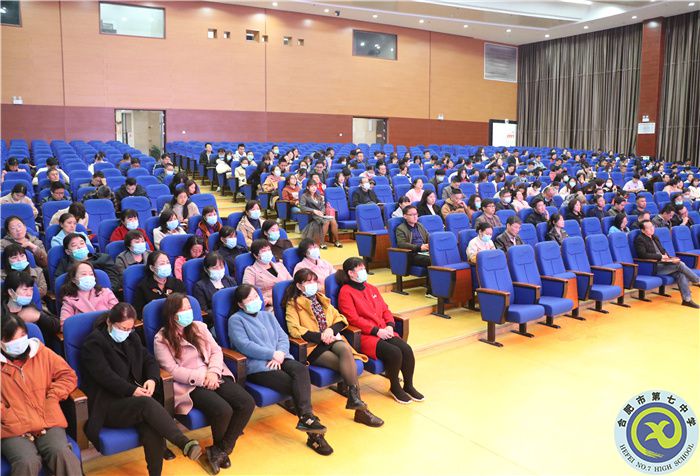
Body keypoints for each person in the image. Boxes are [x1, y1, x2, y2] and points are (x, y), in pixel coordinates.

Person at [81, 303, 203, 476]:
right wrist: (132, 390)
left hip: (134, 400)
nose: (125, 332)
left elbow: (149, 361)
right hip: (108, 404)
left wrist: (152, 380)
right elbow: (105, 377)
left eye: (129, 328)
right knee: (146, 405)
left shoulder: (131, 337)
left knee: (150, 423)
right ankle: (184, 442)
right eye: (121, 328)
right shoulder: (93, 344)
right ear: (109, 322)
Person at [154, 293, 254, 473]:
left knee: (246, 402)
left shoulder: (199, 327)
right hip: (189, 385)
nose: (188, 312)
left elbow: (216, 351)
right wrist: (202, 378)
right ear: (172, 314)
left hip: (214, 374)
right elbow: (172, 371)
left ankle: (221, 450)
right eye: (182, 309)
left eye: (189, 308)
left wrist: (213, 372)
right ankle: (219, 449)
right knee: (223, 410)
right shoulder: (161, 338)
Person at [228, 284, 332, 455]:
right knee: (295, 385)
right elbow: (244, 345)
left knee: (301, 370)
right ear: (240, 304)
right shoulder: (236, 320)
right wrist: (272, 354)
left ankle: (307, 417)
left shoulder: (267, 315)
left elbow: (283, 337)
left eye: (256, 296)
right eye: (250, 299)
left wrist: (281, 353)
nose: (255, 301)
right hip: (259, 367)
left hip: (281, 358)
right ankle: (314, 435)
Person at [284, 269, 383, 427]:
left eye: (314, 281)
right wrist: (321, 336)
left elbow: (340, 318)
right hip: (314, 346)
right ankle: (360, 408)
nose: (313, 285)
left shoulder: (321, 299)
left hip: (332, 338)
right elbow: (294, 329)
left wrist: (331, 330)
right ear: (299, 286)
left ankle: (355, 400)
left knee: (345, 350)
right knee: (348, 363)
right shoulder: (293, 304)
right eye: (308, 282)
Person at [0, 313, 82, 476]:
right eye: (12, 339)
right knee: (27, 462)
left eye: (22, 335)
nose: (19, 342)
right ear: (2, 342)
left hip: (47, 417)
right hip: (12, 426)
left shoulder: (42, 353)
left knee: (61, 453)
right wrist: (8, 416)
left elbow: (68, 376)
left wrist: (53, 396)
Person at [336, 258, 423, 404]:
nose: (364, 272)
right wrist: (376, 331)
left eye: (364, 268)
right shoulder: (345, 292)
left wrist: (390, 325)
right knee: (394, 352)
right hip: (365, 335)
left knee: (406, 349)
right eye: (360, 269)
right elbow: (353, 319)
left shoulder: (371, 288)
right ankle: (395, 387)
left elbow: (385, 309)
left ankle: (408, 386)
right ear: (350, 273)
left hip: (384, 329)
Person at [634, 220, 700, 308]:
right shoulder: (639, 239)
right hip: (653, 266)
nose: (652, 229)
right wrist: (660, 257)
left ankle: (687, 300)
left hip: (664, 263)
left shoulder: (655, 237)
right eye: (649, 228)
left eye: (652, 226)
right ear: (643, 230)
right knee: (680, 264)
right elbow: (642, 255)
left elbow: (663, 250)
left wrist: (670, 258)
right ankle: (697, 281)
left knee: (680, 274)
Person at [59, 261, 119, 329]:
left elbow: (119, 315)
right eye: (84, 274)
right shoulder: (69, 300)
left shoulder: (106, 292)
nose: (88, 277)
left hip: (108, 332)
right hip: (85, 336)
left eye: (91, 274)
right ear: (73, 279)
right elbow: (65, 326)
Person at [1, 271, 60, 341]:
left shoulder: (31, 307)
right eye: (25, 289)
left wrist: (39, 316)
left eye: (31, 289)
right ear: (11, 292)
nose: (29, 294)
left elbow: (57, 326)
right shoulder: (2, 311)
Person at [55, 233, 120, 291]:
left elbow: (114, 281)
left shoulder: (103, 258)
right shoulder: (64, 263)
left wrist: (102, 293)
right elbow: (59, 284)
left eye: (82, 243)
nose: (79, 247)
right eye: (74, 245)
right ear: (68, 251)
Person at [242, 239, 292, 311]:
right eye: (263, 251)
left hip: (288, 299)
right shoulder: (251, 271)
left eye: (268, 250)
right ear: (256, 255)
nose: (267, 253)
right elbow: (249, 292)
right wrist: (269, 301)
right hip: (270, 305)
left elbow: (291, 282)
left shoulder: (280, 265)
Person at [395, 205, 432, 295]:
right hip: (412, 254)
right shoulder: (400, 228)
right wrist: (419, 247)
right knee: (433, 260)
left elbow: (428, 237)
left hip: (424, 251)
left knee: (441, 258)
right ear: (405, 216)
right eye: (411, 215)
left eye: (416, 214)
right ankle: (431, 291)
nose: (415, 216)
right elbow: (401, 244)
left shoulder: (420, 225)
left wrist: (430, 244)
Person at [299, 180, 341, 249]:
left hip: (321, 216)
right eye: (312, 186)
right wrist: (314, 210)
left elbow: (323, 207)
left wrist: (322, 212)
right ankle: (322, 243)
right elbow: (302, 207)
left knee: (333, 219)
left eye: (315, 186)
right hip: (312, 216)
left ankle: (337, 241)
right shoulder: (304, 196)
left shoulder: (318, 196)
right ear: (307, 187)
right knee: (327, 221)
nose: (314, 188)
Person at [193, 252, 236, 317]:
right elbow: (204, 311)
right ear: (206, 269)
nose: (219, 270)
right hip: (214, 320)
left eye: (221, 266)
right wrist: (222, 313)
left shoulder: (230, 280)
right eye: (214, 268)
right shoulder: (200, 286)